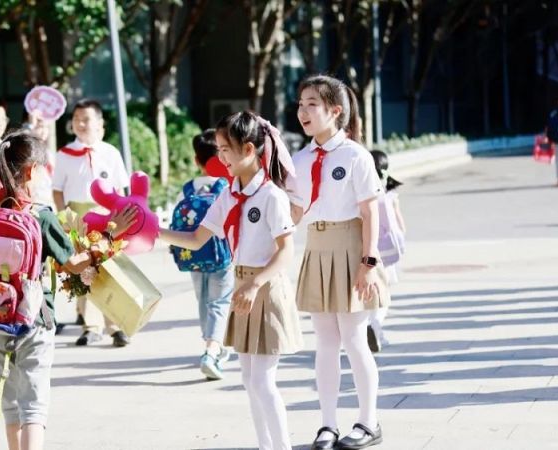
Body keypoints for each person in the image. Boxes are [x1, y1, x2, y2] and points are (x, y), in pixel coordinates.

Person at [0, 131, 135, 450]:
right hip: (31, 319)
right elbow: (73, 264)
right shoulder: (40, 216)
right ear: (32, 170)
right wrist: (108, 238)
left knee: (9, 402)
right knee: (33, 405)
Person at [159, 111, 304, 450]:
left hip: (265, 289)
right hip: (242, 288)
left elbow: (286, 251)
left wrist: (256, 283)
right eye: (219, 149)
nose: (220, 157)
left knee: (263, 381)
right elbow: (197, 239)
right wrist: (153, 231)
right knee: (249, 380)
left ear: (249, 149)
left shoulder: (270, 196)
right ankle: (266, 446)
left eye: (226, 149)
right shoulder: (228, 193)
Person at [287, 74, 388, 450]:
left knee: (354, 339)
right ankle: (327, 425)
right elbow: (295, 213)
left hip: (351, 247)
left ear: (335, 110)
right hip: (316, 248)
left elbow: (370, 212)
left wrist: (368, 262)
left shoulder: (355, 155)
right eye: (301, 104)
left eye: (312, 104)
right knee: (326, 343)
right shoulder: (299, 159)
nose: (303, 112)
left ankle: (368, 422)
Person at [51, 99, 130, 347]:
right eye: (77, 119)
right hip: (77, 219)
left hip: (108, 218)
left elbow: (120, 189)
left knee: (109, 271)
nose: (81, 124)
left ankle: (115, 326)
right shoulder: (64, 154)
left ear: (99, 123)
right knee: (84, 271)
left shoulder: (110, 152)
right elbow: (57, 190)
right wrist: (65, 217)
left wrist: (121, 220)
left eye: (86, 119)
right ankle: (91, 326)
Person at [175, 129, 235, 380]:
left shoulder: (187, 190)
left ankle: (211, 342)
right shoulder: (226, 187)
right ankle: (212, 350)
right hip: (222, 255)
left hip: (193, 255)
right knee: (219, 302)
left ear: (196, 160)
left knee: (203, 300)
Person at [367, 150, 407, 353]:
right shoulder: (389, 194)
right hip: (387, 252)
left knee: (370, 293)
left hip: (368, 251)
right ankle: (375, 327)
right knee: (384, 295)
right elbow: (399, 223)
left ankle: (370, 326)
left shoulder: (364, 192)